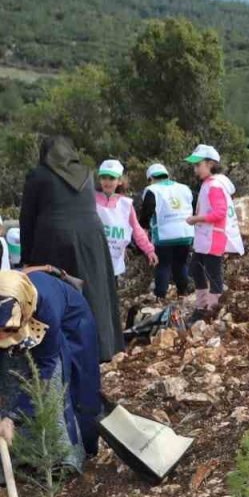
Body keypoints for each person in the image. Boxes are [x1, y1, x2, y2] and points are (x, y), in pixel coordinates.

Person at [20, 136, 124, 361]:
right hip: (91, 235)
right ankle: (103, 347)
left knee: (55, 292)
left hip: (53, 237)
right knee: (95, 290)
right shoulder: (86, 173)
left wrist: (27, 259)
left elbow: (27, 217)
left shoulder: (38, 175)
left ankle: (57, 349)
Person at [0, 269, 103, 473]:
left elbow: (45, 366)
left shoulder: (46, 308)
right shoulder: (6, 307)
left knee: (59, 382)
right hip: (28, 322)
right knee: (11, 374)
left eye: (7, 330)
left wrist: (12, 416)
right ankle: (19, 456)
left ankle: (61, 458)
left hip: (70, 325)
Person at [184, 145, 243, 320]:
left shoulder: (215, 185)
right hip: (205, 238)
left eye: (198, 165)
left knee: (212, 273)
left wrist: (196, 219)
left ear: (210, 164)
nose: (195, 169)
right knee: (196, 268)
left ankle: (211, 309)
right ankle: (202, 305)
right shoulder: (210, 184)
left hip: (213, 237)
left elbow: (220, 213)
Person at [137, 163, 195, 299]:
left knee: (163, 265)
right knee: (180, 263)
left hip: (164, 235)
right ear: (167, 175)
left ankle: (160, 296)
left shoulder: (152, 190)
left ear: (150, 178)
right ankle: (183, 292)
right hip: (186, 233)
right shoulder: (184, 188)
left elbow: (148, 210)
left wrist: (143, 228)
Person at [95, 159, 157, 277]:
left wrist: (149, 250)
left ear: (119, 181)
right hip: (93, 259)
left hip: (114, 262)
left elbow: (136, 229)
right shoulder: (91, 200)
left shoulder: (125, 204)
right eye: (104, 177)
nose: (107, 182)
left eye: (111, 178)